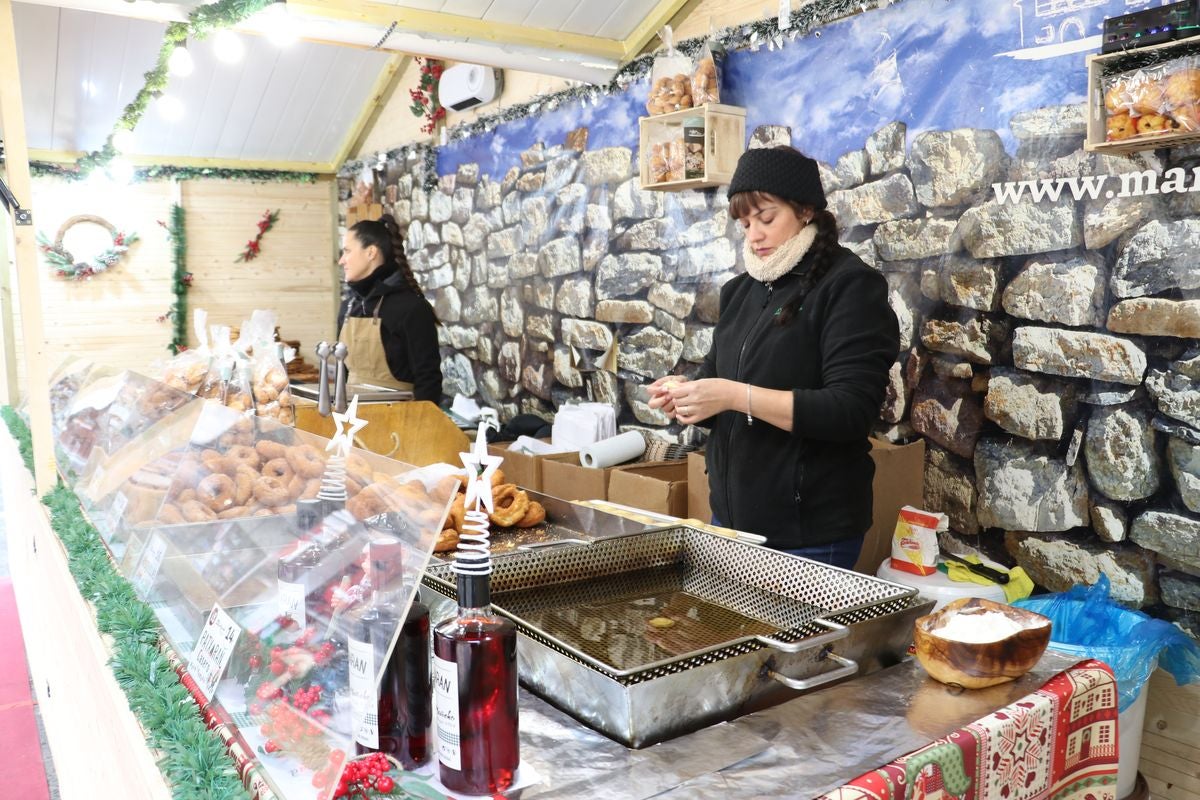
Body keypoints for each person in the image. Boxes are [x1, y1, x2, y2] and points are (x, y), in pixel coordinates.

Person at [648, 146, 899, 569]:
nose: (754, 235)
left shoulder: (850, 287)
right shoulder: (740, 291)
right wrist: (688, 395)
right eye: (745, 224)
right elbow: (717, 378)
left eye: (766, 218)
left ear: (805, 211)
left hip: (809, 533)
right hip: (731, 523)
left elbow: (851, 410)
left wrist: (734, 395)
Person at [337, 214, 442, 401]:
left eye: (347, 251)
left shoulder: (412, 308)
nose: (341, 260)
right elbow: (343, 375)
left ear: (371, 253)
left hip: (399, 423)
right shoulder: (348, 307)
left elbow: (428, 381)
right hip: (352, 421)